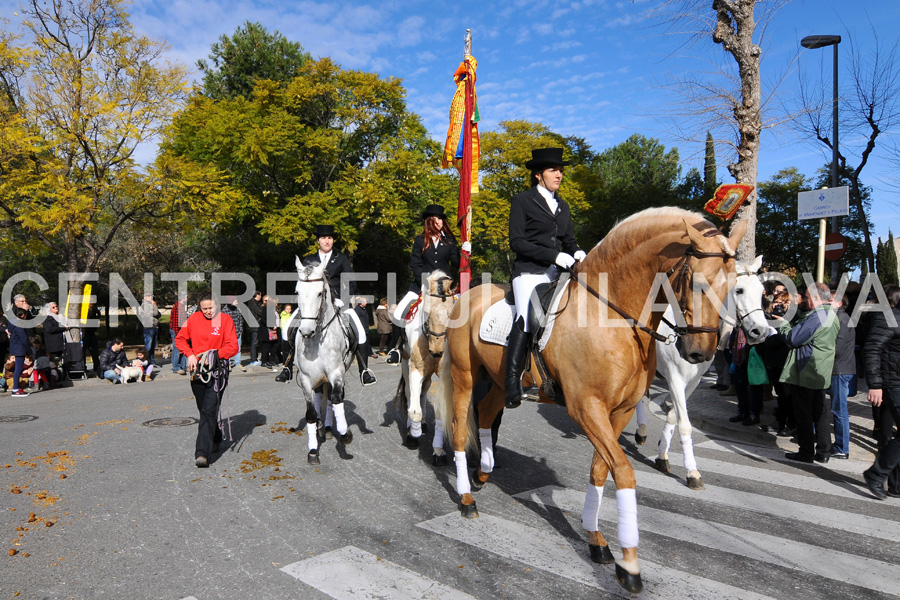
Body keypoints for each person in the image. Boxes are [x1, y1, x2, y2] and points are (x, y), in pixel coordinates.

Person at [504, 147, 585, 408]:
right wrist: (554, 255)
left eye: (561, 170)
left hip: (557, 273)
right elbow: (517, 242)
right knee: (529, 315)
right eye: (554, 170)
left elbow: (569, 240)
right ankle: (512, 381)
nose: (559, 174)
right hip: (528, 271)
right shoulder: (523, 201)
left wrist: (577, 251)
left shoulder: (563, 206)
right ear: (539, 175)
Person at [276, 224, 376, 386]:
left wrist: (342, 299)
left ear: (332, 240)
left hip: (336, 301)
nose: (327, 241)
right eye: (323, 238)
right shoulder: (309, 260)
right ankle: (286, 367)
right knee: (287, 329)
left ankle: (364, 370)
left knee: (360, 331)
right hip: (312, 304)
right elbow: (302, 283)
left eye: (329, 238)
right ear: (318, 240)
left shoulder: (341, 258)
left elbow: (351, 282)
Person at [385, 205, 465, 365]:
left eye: (441, 218)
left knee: (465, 314)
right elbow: (415, 263)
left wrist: (465, 252)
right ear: (429, 221)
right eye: (435, 218)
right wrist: (425, 282)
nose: (439, 221)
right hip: (421, 286)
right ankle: (396, 348)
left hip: (445, 290)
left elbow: (457, 264)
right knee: (399, 312)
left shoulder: (449, 241)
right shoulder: (420, 240)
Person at [175, 290, 239, 468]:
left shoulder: (225, 320)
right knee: (203, 409)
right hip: (197, 372)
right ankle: (216, 436)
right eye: (204, 309)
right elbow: (180, 340)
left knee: (209, 410)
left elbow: (232, 346)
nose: (208, 311)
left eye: (211, 308)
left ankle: (202, 453)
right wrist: (190, 354)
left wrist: (214, 355)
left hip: (217, 372)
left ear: (217, 305)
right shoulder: (194, 319)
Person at [776, 283, 839, 464]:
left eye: (807, 296)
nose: (805, 299)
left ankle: (806, 452)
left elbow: (793, 339)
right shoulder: (830, 315)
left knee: (804, 414)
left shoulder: (818, 316)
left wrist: (783, 325)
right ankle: (824, 451)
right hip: (820, 370)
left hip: (806, 370)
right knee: (819, 413)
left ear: (816, 297)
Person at [862, 284, 900, 499]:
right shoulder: (888, 316)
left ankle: (896, 484)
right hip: (894, 383)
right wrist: (875, 384)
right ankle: (876, 474)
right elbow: (872, 349)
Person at [828, 282, 856, 459]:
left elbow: (838, 348)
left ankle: (842, 447)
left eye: (830, 300)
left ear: (839, 303)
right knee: (837, 409)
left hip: (839, 370)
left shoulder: (841, 320)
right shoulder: (839, 318)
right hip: (839, 369)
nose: (826, 303)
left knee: (839, 410)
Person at [7, 299, 32, 397]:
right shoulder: (19, 326)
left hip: (16, 348)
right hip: (20, 349)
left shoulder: (13, 325)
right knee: (18, 368)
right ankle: (16, 389)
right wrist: (29, 351)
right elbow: (24, 339)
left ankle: (16, 388)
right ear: (22, 316)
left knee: (18, 368)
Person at [220, 297, 245, 370]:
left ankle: (238, 363)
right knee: (227, 349)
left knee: (238, 348)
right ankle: (228, 364)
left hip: (237, 332)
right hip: (228, 333)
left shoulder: (237, 309)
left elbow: (240, 320)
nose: (237, 301)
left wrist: (240, 330)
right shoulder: (224, 311)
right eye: (235, 300)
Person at [138, 292, 161, 365]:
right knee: (148, 346)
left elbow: (159, 314)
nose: (151, 297)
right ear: (144, 297)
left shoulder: (150, 304)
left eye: (151, 295)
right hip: (149, 327)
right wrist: (155, 305)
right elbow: (156, 314)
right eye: (148, 296)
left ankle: (152, 361)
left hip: (154, 326)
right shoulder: (145, 305)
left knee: (153, 346)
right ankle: (145, 361)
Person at [169, 293, 187, 375]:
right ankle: (176, 367)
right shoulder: (178, 308)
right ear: (183, 298)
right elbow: (176, 323)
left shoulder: (181, 307)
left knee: (183, 348)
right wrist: (177, 335)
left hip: (181, 330)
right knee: (177, 349)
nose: (187, 298)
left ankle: (183, 366)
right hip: (177, 331)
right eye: (186, 297)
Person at [82, 302, 101, 375]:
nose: (91, 304)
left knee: (95, 351)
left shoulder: (94, 310)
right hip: (85, 333)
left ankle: (97, 366)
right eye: (90, 303)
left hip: (92, 332)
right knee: (83, 351)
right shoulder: (84, 310)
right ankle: (83, 367)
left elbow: (98, 316)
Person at [247, 290, 264, 366]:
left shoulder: (253, 302)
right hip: (255, 325)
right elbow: (259, 312)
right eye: (260, 295)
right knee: (255, 342)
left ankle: (255, 358)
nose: (261, 296)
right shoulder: (253, 302)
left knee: (256, 342)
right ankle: (253, 359)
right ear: (257, 295)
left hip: (256, 324)